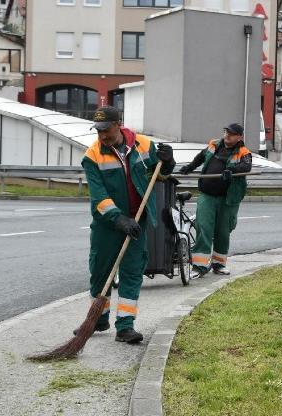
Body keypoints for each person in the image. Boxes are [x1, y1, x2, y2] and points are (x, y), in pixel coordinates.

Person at [80, 106, 175, 344]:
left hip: (137, 220)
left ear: (118, 124)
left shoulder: (143, 145)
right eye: (98, 130)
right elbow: (98, 196)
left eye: (105, 129)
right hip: (108, 225)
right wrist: (118, 218)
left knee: (132, 272)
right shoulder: (92, 156)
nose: (101, 135)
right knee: (101, 272)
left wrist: (168, 162)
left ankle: (125, 326)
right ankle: (98, 318)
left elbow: (159, 174)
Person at [179, 123, 252, 278]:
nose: (227, 135)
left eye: (231, 134)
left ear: (239, 137)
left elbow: (246, 167)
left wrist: (231, 170)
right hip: (207, 195)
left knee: (223, 232)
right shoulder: (214, 144)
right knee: (203, 228)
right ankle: (199, 267)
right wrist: (190, 167)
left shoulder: (243, 152)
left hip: (228, 199)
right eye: (226, 132)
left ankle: (219, 265)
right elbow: (201, 156)